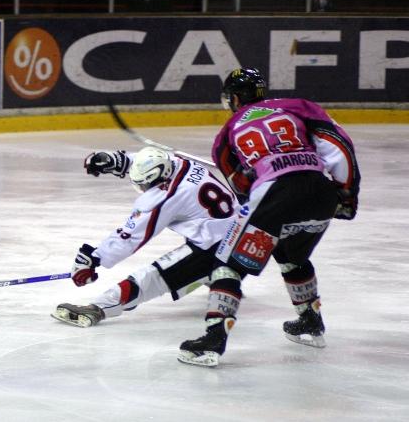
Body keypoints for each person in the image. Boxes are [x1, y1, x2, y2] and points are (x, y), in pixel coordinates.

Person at [177, 67, 360, 367]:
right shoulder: (298, 107)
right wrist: (347, 194)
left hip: (276, 193)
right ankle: (310, 321)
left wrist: (255, 182)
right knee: (291, 254)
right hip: (320, 192)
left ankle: (213, 338)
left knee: (228, 264)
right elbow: (338, 147)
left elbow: (239, 186)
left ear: (234, 99)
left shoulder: (226, 134)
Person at [51, 146, 239, 327]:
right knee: (196, 244)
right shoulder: (182, 163)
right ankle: (212, 275)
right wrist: (118, 161)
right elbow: (152, 161)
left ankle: (98, 308)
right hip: (238, 231)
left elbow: (129, 237)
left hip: (218, 246)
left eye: (144, 184)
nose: (143, 188)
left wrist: (93, 259)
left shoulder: (166, 197)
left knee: (153, 276)